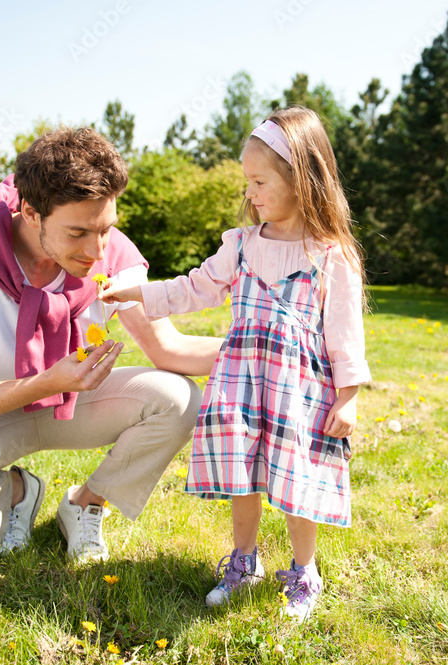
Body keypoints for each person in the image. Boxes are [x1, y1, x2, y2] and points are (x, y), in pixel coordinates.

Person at [0, 127, 221, 562]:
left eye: (106, 229)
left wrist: (270, 348)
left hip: (71, 402)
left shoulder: (110, 253)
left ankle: (85, 503)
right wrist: (45, 381)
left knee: (179, 399)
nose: (97, 252)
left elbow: (168, 351)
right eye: (78, 233)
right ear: (30, 211)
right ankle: (16, 493)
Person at [100, 106, 370, 621]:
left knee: (295, 480)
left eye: (259, 180)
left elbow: (345, 334)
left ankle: (303, 570)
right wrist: (138, 292)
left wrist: (349, 395)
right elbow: (193, 288)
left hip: (299, 392)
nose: (250, 192)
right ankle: (243, 562)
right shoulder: (242, 245)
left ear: (300, 179)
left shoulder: (329, 255)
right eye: (248, 181)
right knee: (243, 476)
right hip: (243, 383)